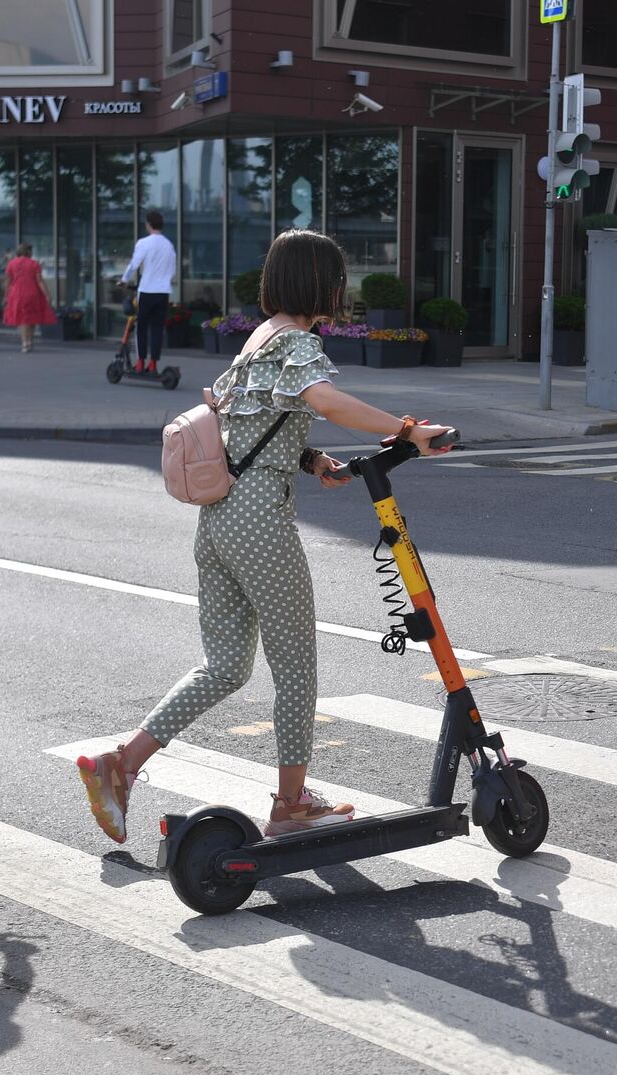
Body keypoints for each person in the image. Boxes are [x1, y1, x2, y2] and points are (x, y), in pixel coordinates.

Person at [74, 229, 452, 843]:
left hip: (218, 520)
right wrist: (408, 429)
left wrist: (310, 461)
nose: (343, 290)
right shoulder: (298, 342)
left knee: (224, 666)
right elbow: (325, 400)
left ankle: (122, 763)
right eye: (337, 279)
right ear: (319, 284)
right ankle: (293, 803)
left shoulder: (257, 340)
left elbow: (251, 426)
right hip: (260, 523)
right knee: (297, 669)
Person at [121, 210, 177, 375]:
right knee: (158, 329)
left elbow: (134, 264)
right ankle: (153, 364)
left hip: (146, 290)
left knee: (142, 327)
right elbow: (172, 270)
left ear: (148, 224)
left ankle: (140, 362)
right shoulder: (168, 245)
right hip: (163, 292)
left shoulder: (144, 243)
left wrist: (124, 280)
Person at [2, 242, 55, 353]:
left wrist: (6, 295)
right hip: (32, 293)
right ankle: (30, 341)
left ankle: (24, 343)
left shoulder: (11, 264)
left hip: (16, 293)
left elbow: (8, 281)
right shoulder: (34, 264)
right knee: (31, 318)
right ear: (28, 252)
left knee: (22, 319)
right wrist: (47, 295)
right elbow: (40, 281)